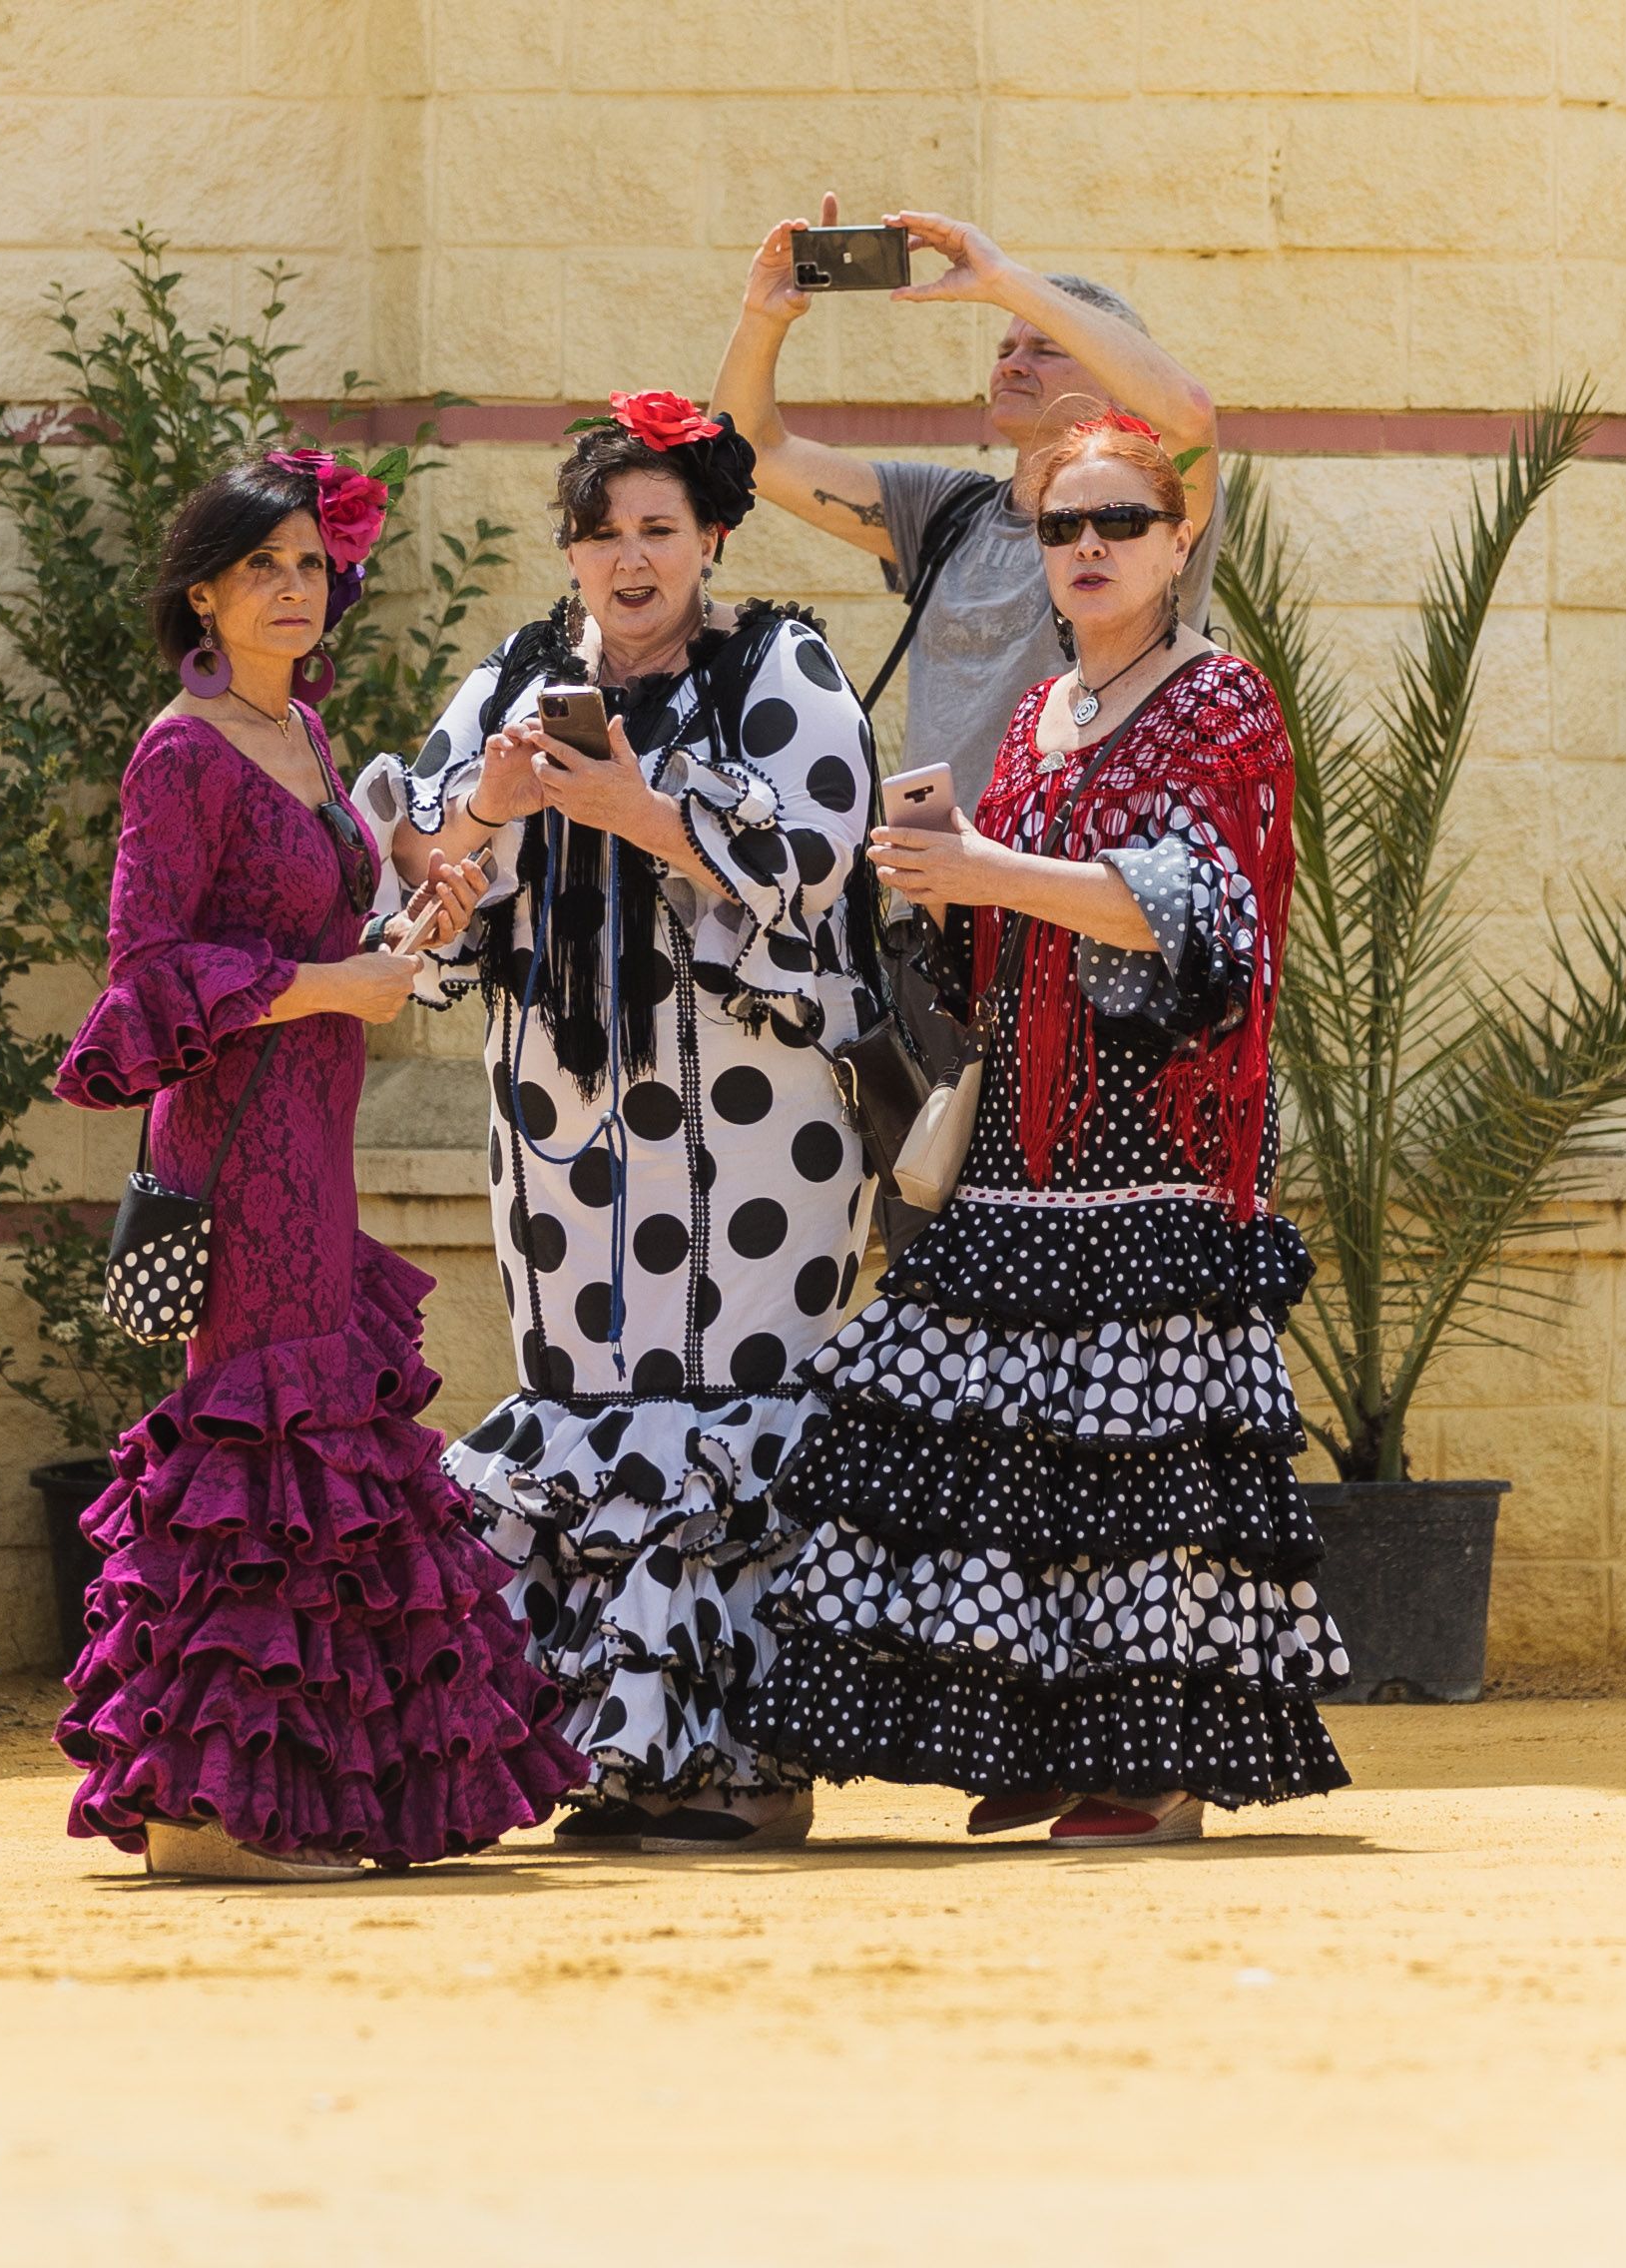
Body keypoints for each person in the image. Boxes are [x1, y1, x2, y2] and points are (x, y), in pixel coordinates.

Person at [739, 412, 1351, 1848]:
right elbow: (1009, 924)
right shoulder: (1039, 712)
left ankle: (1153, 1763)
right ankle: (1052, 1732)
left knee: (1139, 1458)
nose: (1087, 547)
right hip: (1021, 1124)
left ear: (1179, 540)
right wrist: (940, 890)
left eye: (1120, 521)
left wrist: (990, 870)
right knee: (1017, 1442)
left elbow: (1189, 909)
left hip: (1155, 1141)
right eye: (1062, 525)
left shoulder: (1221, 701)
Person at [362, 392, 882, 1853]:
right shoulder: (512, 679)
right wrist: (489, 810)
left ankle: (749, 1769)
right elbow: (413, 893)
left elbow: (815, 854)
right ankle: (617, 1754)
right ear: (572, 551)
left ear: (712, 538)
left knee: (734, 1408)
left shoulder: (780, 664)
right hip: (561, 1116)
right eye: (601, 533)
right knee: (588, 1408)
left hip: (756, 1124)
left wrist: (641, 808)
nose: (629, 558)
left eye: (659, 527)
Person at [53, 452, 583, 1880]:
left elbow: (333, 937)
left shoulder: (302, 731)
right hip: (237, 1148)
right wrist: (332, 987)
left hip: (315, 1136)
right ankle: (205, 1812)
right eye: (261, 568)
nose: (295, 589)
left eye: (310, 565)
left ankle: (282, 1794)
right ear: (202, 596)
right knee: (260, 1446)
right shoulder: (182, 750)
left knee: (313, 1448)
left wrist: (416, 916)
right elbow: (149, 968)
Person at [712, 200, 1224, 813]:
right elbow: (753, 452)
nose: (1012, 364)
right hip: (929, 869)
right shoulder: (943, 512)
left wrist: (1003, 279)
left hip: (1074, 867)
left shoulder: (1145, 515)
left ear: (1118, 379)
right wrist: (762, 315)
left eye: (1045, 348)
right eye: (1005, 349)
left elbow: (1189, 414)